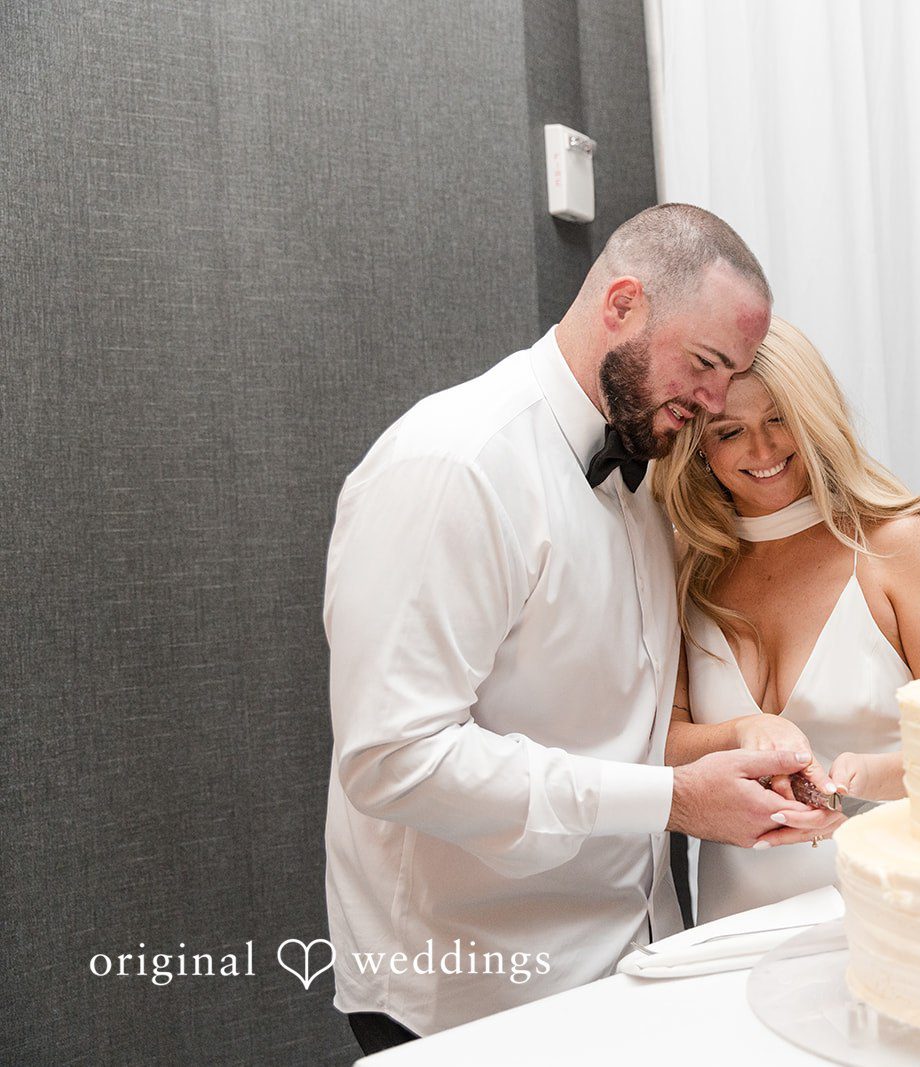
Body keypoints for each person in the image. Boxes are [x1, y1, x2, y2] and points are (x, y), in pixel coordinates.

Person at [322, 206, 841, 1053]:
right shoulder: (453, 466)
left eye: (734, 373)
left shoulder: (645, 472)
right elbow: (395, 759)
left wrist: (726, 750)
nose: (716, 403)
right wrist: (675, 800)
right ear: (624, 302)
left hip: (632, 961)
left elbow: (603, 725)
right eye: (706, 365)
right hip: (476, 988)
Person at [653, 316, 920, 923]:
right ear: (699, 446)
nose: (762, 451)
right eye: (731, 432)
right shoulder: (686, 570)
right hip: (731, 932)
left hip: (901, 915)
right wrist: (740, 733)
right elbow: (659, 747)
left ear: (816, 419)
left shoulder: (896, 547)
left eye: (781, 420)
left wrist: (859, 785)